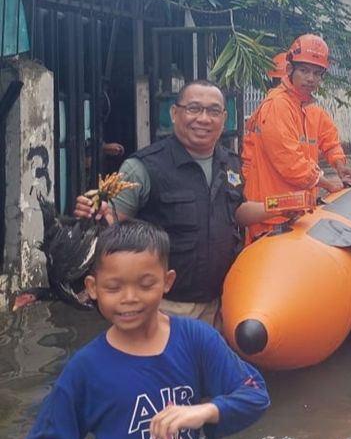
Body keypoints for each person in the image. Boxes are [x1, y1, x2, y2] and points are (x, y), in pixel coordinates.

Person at [18, 221, 270, 439]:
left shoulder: (196, 339)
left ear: (167, 281)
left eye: (146, 285)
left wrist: (205, 411)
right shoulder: (87, 367)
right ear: (93, 288)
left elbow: (255, 395)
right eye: (113, 288)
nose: (129, 298)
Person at [74, 79, 272, 324]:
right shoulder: (143, 167)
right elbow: (113, 226)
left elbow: (235, 211)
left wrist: (278, 208)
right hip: (166, 307)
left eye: (213, 111)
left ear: (224, 118)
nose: (203, 118)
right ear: (175, 113)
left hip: (222, 302)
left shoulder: (229, 161)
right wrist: (96, 215)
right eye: (194, 108)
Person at [241, 34, 351, 240]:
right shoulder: (278, 105)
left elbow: (330, 141)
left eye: (317, 73)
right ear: (289, 70)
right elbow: (289, 160)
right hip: (270, 212)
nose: (310, 78)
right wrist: (326, 183)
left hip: (297, 210)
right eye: (304, 71)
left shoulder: (310, 109)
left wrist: (341, 166)